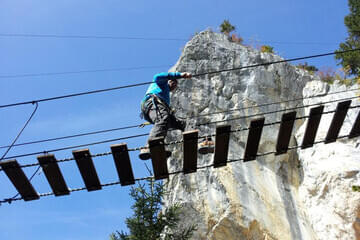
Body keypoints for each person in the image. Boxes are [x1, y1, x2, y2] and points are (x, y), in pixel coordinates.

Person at [139, 71, 192, 160]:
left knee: (183, 124)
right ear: (168, 81)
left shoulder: (165, 93)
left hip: (159, 108)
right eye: (173, 82)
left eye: (176, 84)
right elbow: (157, 76)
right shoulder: (160, 83)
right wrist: (180, 75)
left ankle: (201, 141)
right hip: (152, 104)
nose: (174, 85)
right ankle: (149, 146)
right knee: (162, 118)